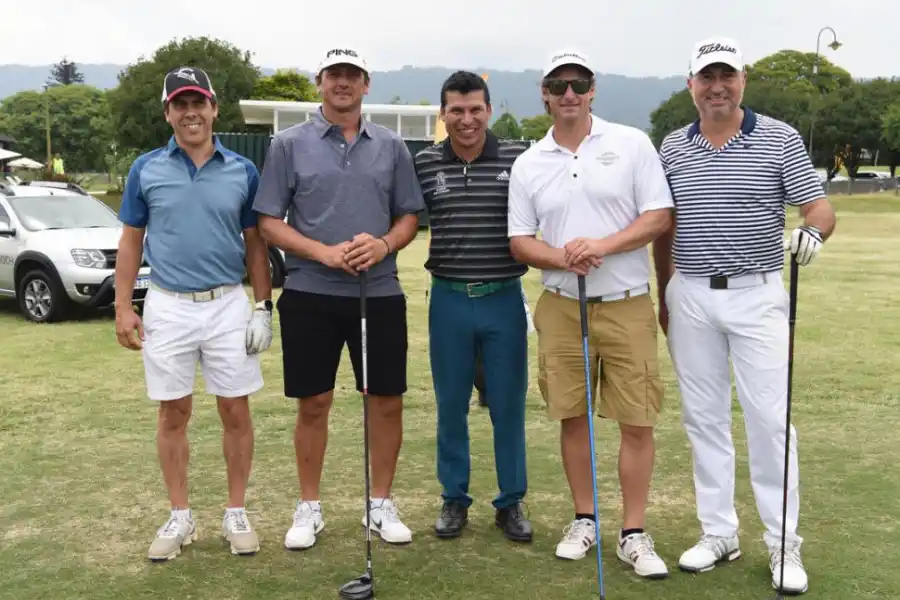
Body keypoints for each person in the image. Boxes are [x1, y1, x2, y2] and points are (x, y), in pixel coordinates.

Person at [654, 37, 836, 595]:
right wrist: (665, 294)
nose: (716, 86)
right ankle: (719, 533)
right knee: (703, 419)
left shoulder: (779, 137)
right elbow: (664, 228)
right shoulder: (672, 146)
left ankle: (784, 543)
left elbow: (819, 208)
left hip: (757, 295)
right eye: (706, 77)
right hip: (690, 293)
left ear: (743, 80)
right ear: (691, 86)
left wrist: (813, 233)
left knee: (769, 420)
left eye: (726, 76)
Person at [507, 48, 674, 578]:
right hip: (560, 306)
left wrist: (599, 245)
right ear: (545, 94)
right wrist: (564, 256)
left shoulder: (631, 143)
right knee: (571, 414)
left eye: (578, 84)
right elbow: (518, 241)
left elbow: (658, 216)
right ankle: (584, 518)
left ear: (593, 89)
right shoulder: (530, 161)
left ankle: (633, 531)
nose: (569, 94)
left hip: (625, 304)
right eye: (558, 86)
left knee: (636, 419)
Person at [253, 47, 425, 550]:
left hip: (379, 291)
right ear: (319, 82)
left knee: (386, 401)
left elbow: (409, 217)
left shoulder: (392, 146)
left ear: (366, 84)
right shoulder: (287, 144)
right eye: (334, 75)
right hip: (310, 293)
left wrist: (384, 243)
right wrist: (323, 253)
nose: (343, 83)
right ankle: (309, 506)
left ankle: (380, 503)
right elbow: (268, 222)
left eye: (352, 75)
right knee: (314, 403)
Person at [114, 66, 274, 562]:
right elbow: (131, 240)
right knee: (173, 412)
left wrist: (263, 307)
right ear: (168, 112)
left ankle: (235, 512)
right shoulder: (146, 169)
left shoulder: (242, 170)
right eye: (180, 104)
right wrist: (123, 305)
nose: (190, 113)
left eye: (198, 102)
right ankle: (180, 514)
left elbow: (256, 245)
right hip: (167, 304)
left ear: (213, 108)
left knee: (235, 409)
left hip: (226, 302)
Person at [414, 71, 533, 542]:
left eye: (475, 109)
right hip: (448, 299)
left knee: (507, 404)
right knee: (450, 405)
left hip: (503, 296)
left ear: (490, 109)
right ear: (443, 114)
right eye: (456, 110)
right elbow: (402, 218)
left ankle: (511, 501)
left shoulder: (518, 158)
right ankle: (454, 499)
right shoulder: (424, 163)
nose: (466, 119)